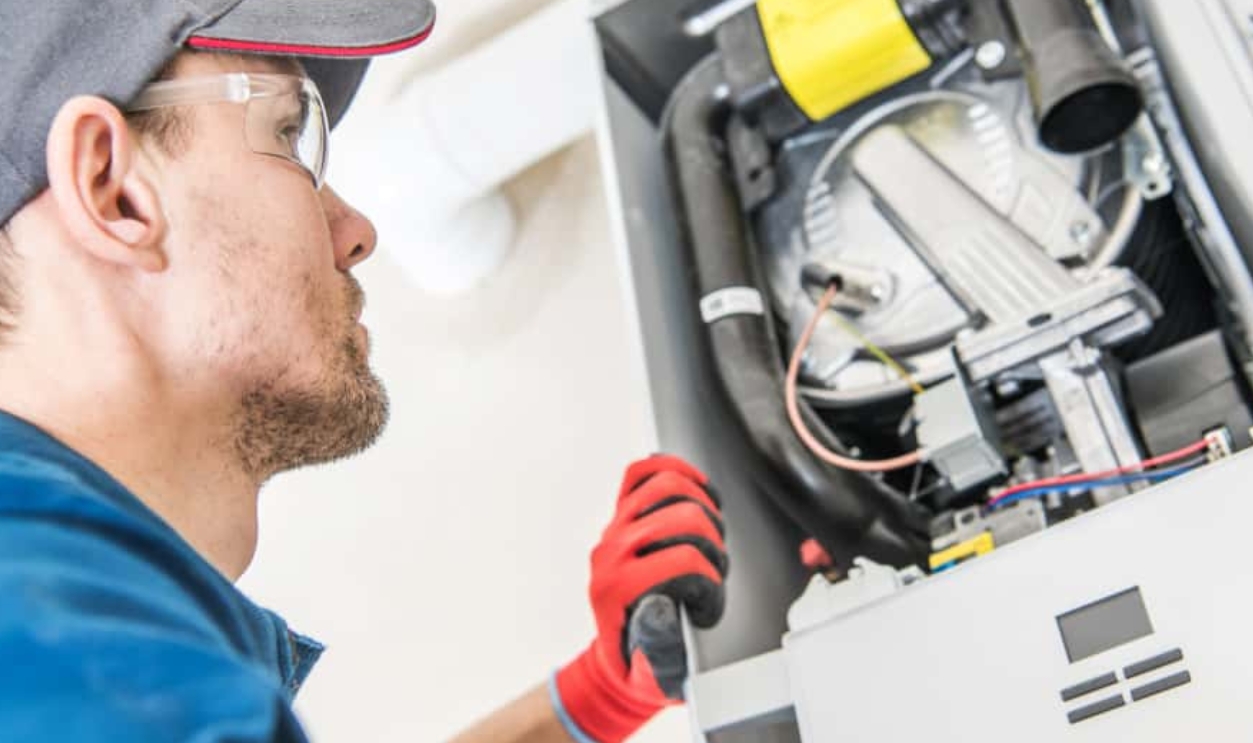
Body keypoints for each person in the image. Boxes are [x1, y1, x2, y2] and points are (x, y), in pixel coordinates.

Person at [0, 2, 729, 742]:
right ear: (113, 189)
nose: (356, 232)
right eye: (287, 133)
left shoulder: (67, 641)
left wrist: (597, 696)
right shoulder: (62, 652)